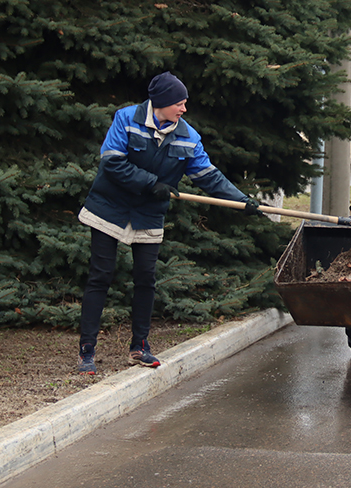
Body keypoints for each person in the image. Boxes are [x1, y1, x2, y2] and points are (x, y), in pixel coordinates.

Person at [76, 71, 260, 375]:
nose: (184, 108)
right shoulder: (126, 119)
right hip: (109, 207)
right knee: (101, 276)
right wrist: (151, 183)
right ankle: (87, 352)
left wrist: (243, 201)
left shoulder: (188, 137)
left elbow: (208, 176)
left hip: (149, 214)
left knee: (146, 278)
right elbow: (111, 161)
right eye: (179, 102)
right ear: (161, 102)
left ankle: (140, 346)